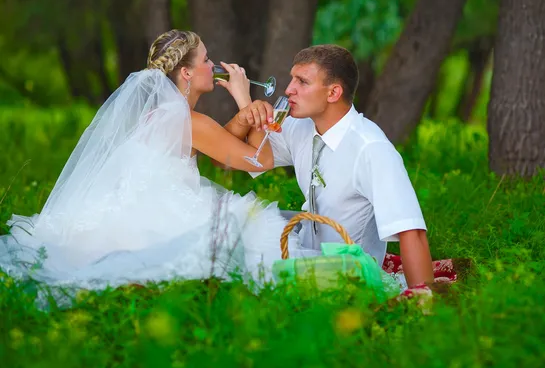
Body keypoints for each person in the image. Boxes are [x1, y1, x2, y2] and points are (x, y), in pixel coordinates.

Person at [0, 29, 299, 297]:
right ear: (186, 73)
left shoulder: (158, 115)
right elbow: (258, 161)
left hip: (132, 208)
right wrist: (245, 98)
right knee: (252, 229)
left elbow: (223, 149)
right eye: (207, 60)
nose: (214, 67)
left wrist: (245, 114)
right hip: (162, 213)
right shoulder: (192, 123)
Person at [227, 44, 434, 288]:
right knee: (232, 228)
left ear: (333, 93)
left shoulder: (371, 148)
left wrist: (423, 304)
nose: (288, 90)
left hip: (348, 278)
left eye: (302, 82)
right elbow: (232, 158)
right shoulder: (299, 127)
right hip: (300, 255)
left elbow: (412, 232)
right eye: (292, 79)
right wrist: (245, 105)